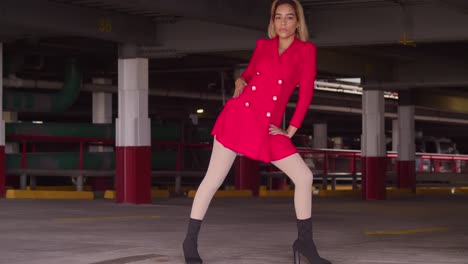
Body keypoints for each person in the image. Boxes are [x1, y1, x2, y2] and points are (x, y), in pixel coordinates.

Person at [182, 0, 331, 263]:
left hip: (270, 129)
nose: (283, 23)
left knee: (304, 177)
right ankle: (189, 243)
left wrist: (291, 130)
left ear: (298, 22)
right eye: (278, 17)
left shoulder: (306, 51)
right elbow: (250, 73)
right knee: (212, 181)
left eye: (289, 17)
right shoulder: (263, 46)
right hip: (240, 118)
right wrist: (241, 79)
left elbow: (306, 93)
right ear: (272, 21)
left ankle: (304, 243)